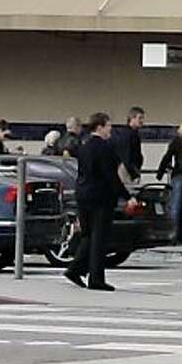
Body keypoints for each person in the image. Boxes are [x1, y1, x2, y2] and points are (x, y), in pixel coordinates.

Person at [65, 112, 130, 292]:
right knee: (99, 238)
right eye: (108, 126)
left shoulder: (84, 147)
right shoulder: (104, 148)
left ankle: (75, 269)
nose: (111, 130)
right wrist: (127, 196)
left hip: (83, 194)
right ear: (100, 127)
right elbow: (111, 177)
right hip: (100, 197)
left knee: (88, 234)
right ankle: (96, 278)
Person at [121, 106, 145, 182]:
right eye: (140, 118)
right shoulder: (129, 135)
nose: (142, 121)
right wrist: (134, 174)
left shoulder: (133, 134)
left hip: (131, 169)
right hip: (128, 171)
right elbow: (127, 156)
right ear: (132, 118)